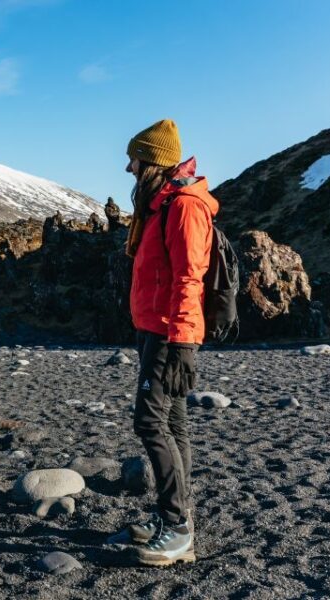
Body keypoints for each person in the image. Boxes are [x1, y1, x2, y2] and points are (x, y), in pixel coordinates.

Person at [123, 119, 218, 566]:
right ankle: (173, 517)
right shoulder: (161, 204)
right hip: (155, 329)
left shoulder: (183, 207)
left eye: (134, 159)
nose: (129, 168)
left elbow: (188, 278)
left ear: (153, 162)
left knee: (150, 423)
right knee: (173, 423)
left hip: (168, 332)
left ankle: (178, 528)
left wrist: (181, 343)